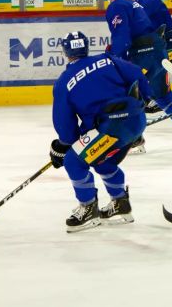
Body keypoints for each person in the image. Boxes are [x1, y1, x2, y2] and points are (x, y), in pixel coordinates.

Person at [49, 31, 151, 233]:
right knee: (103, 160)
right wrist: (145, 99)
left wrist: (64, 146)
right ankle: (120, 205)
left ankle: (88, 209)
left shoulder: (64, 82)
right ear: (86, 47)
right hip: (137, 123)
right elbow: (138, 73)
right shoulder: (109, 60)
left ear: (65, 52)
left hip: (109, 132)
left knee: (73, 161)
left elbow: (65, 127)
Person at [104, 0, 172, 148]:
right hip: (158, 50)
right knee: (163, 95)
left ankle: (136, 139)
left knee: (130, 95)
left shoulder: (115, 6)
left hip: (142, 54)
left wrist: (116, 58)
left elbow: (122, 36)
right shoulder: (132, 3)